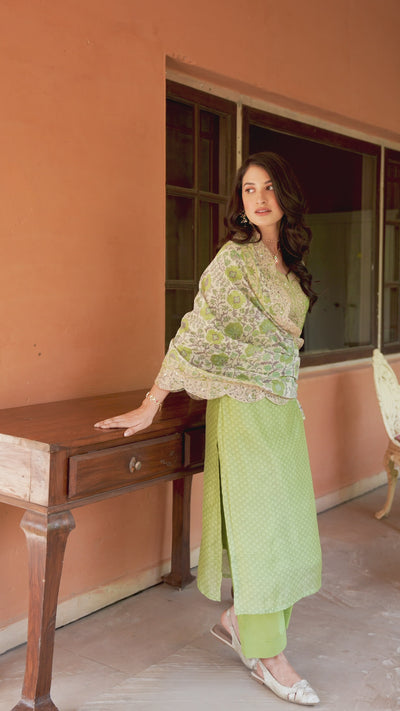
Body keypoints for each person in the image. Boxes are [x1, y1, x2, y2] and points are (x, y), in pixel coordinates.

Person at [95, 152, 322, 706]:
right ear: (239, 202)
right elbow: (198, 330)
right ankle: (269, 656)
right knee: (261, 529)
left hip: (282, 409)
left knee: (287, 527)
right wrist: (151, 402)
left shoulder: (290, 262)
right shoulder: (233, 260)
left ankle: (240, 621)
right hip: (242, 411)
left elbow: (283, 342)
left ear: (286, 195)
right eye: (249, 189)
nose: (259, 199)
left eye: (268, 187)